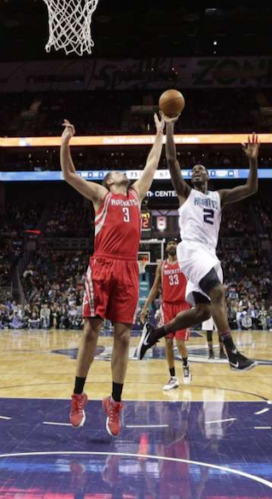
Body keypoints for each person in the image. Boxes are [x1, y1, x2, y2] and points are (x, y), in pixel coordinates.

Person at [64, 115, 165, 437]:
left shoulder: (136, 195)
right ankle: (78, 396)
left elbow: (151, 163)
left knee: (123, 337)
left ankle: (115, 403)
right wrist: (66, 141)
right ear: (109, 181)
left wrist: (160, 134)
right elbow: (68, 173)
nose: (124, 171)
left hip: (128, 267)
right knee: (91, 331)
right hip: (103, 266)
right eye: (117, 171)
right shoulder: (100, 195)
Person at [138, 119, 259, 372]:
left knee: (203, 312)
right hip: (191, 250)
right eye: (192, 169)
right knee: (217, 292)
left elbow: (251, 187)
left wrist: (253, 160)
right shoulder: (185, 192)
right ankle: (232, 353)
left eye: (200, 168)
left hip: (208, 254)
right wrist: (170, 127)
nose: (196, 171)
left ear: (207, 176)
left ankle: (154, 333)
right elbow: (171, 161)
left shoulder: (219, 197)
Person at [139, 239, 193, 391]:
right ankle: (173, 377)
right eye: (169, 244)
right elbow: (155, 287)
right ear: (166, 248)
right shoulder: (161, 266)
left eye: (173, 243)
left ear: (178, 246)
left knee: (180, 343)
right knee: (168, 343)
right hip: (167, 307)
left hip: (183, 306)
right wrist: (144, 308)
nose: (171, 245)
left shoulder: (185, 262)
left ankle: (186, 364)